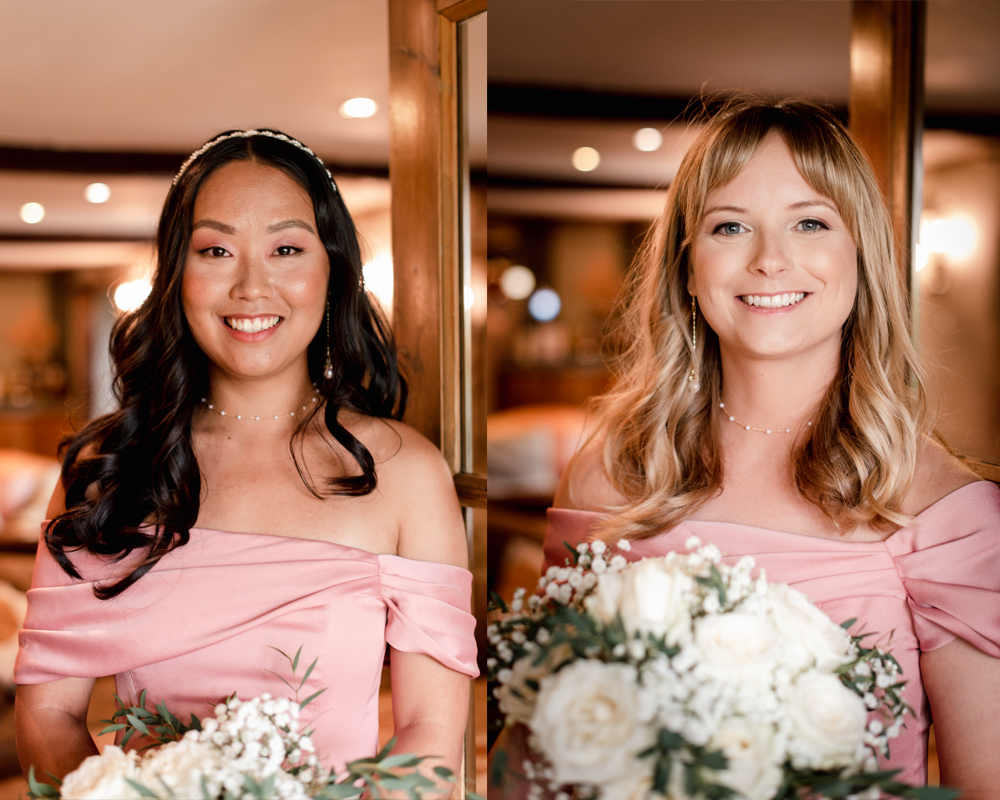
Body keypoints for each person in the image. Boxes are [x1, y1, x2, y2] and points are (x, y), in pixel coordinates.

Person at [499, 99, 1000, 796]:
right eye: (730, 226)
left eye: (810, 222)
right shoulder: (608, 478)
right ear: (688, 262)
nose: (770, 260)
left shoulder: (946, 515)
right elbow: (531, 751)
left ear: (863, 255)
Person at [14, 129, 478, 791]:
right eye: (216, 250)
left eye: (286, 247)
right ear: (176, 273)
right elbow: (49, 713)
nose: (252, 285)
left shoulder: (408, 474)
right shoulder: (109, 467)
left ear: (332, 270)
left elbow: (430, 734)